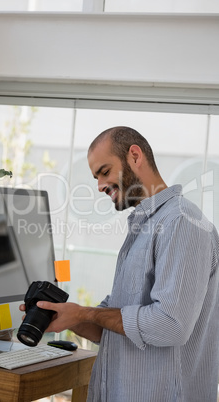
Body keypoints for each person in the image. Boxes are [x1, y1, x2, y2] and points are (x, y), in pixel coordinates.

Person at [20, 126, 219, 402]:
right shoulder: (144, 229)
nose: (100, 186)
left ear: (135, 156)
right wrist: (69, 316)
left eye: (104, 172)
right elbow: (118, 326)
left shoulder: (181, 223)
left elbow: (171, 325)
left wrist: (87, 314)